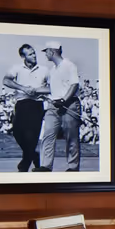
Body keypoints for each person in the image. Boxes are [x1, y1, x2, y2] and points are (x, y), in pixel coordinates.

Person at [0, 43, 48, 172]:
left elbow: (51, 88)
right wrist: (23, 88)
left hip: (36, 105)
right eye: (30, 54)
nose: (34, 56)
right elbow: (6, 81)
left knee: (32, 136)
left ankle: (24, 165)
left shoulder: (44, 70)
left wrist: (37, 90)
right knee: (17, 132)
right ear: (23, 56)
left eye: (34, 53)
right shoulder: (16, 68)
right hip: (21, 104)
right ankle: (33, 155)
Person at [38, 43, 84, 172]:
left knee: (71, 137)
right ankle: (45, 166)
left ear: (52, 52)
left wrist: (64, 99)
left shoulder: (69, 65)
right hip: (54, 105)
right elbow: (51, 89)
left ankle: (73, 167)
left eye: (46, 51)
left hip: (69, 104)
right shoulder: (52, 69)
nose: (45, 54)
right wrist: (34, 90)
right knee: (48, 134)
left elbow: (74, 85)